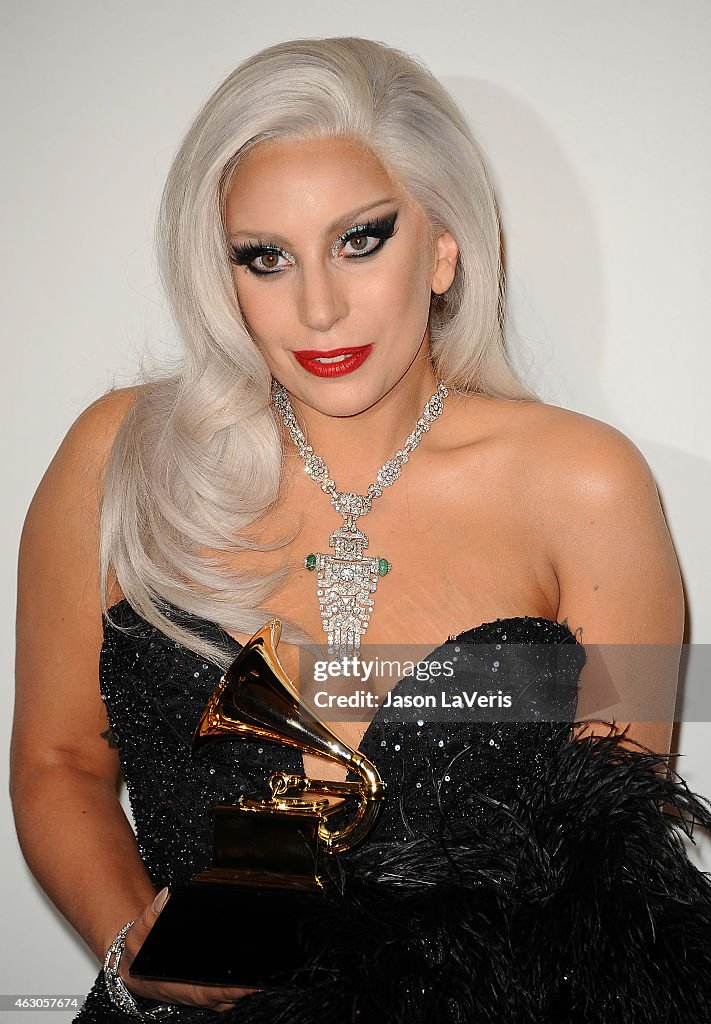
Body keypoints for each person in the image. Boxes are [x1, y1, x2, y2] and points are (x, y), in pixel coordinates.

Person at [10, 35, 711, 1024]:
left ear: (443, 247)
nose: (319, 306)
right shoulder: (119, 458)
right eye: (267, 258)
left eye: (360, 239)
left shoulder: (588, 487)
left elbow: (615, 873)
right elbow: (57, 762)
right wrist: (138, 943)